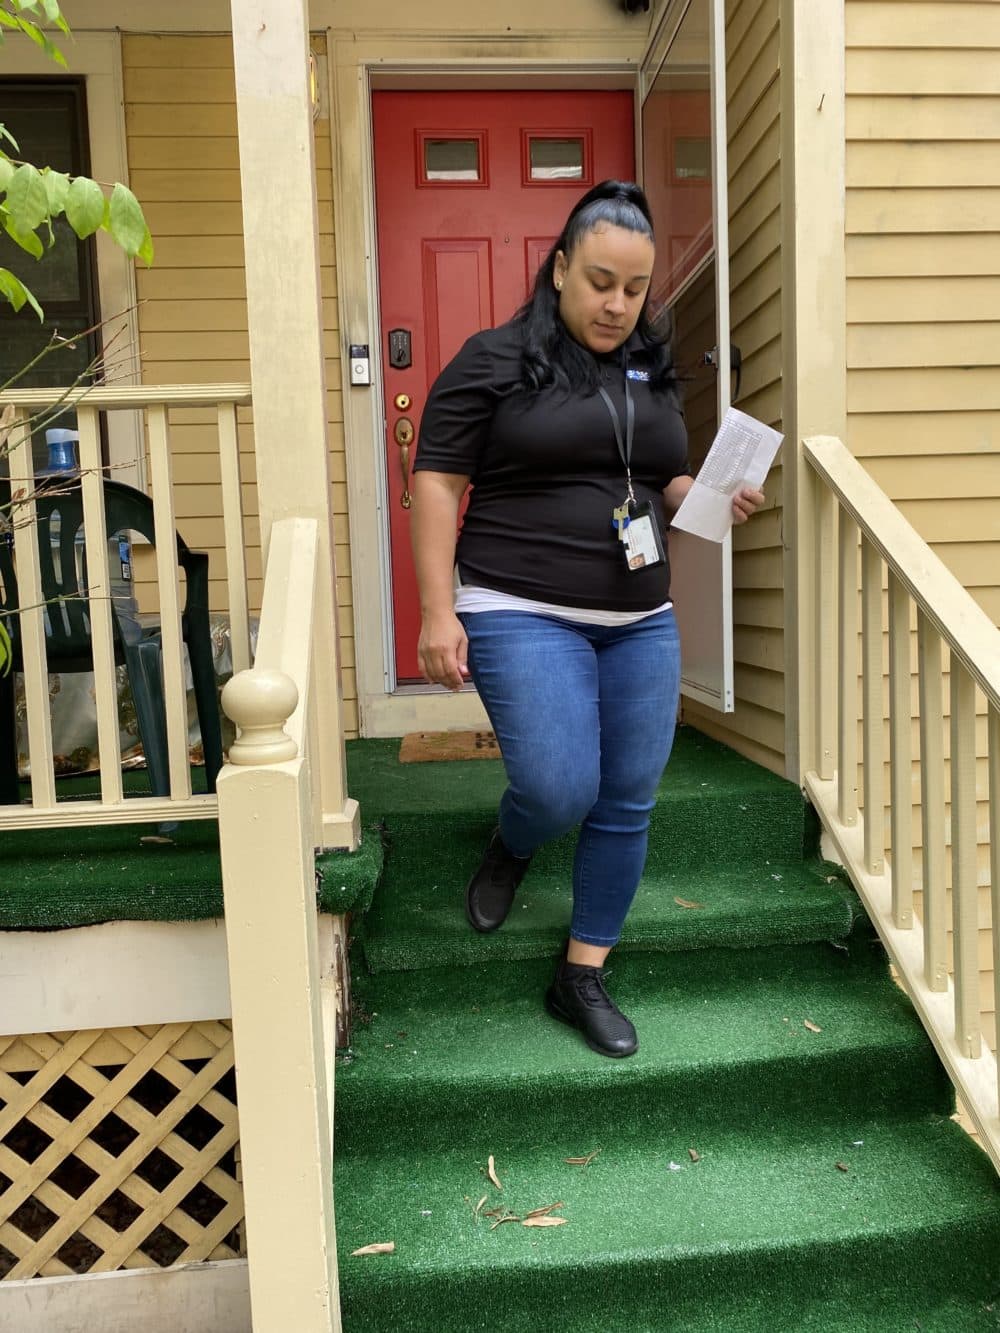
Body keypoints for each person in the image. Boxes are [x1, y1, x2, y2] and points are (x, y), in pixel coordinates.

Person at [410, 180, 764, 1059]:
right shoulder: (492, 359)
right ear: (560, 266)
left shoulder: (648, 366)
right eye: (600, 280)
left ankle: (582, 973)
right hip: (517, 604)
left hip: (639, 615)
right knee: (561, 785)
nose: (617, 304)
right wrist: (434, 612)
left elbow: (656, 475)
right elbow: (437, 481)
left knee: (627, 799)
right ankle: (515, 835)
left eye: (634, 288)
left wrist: (708, 493)